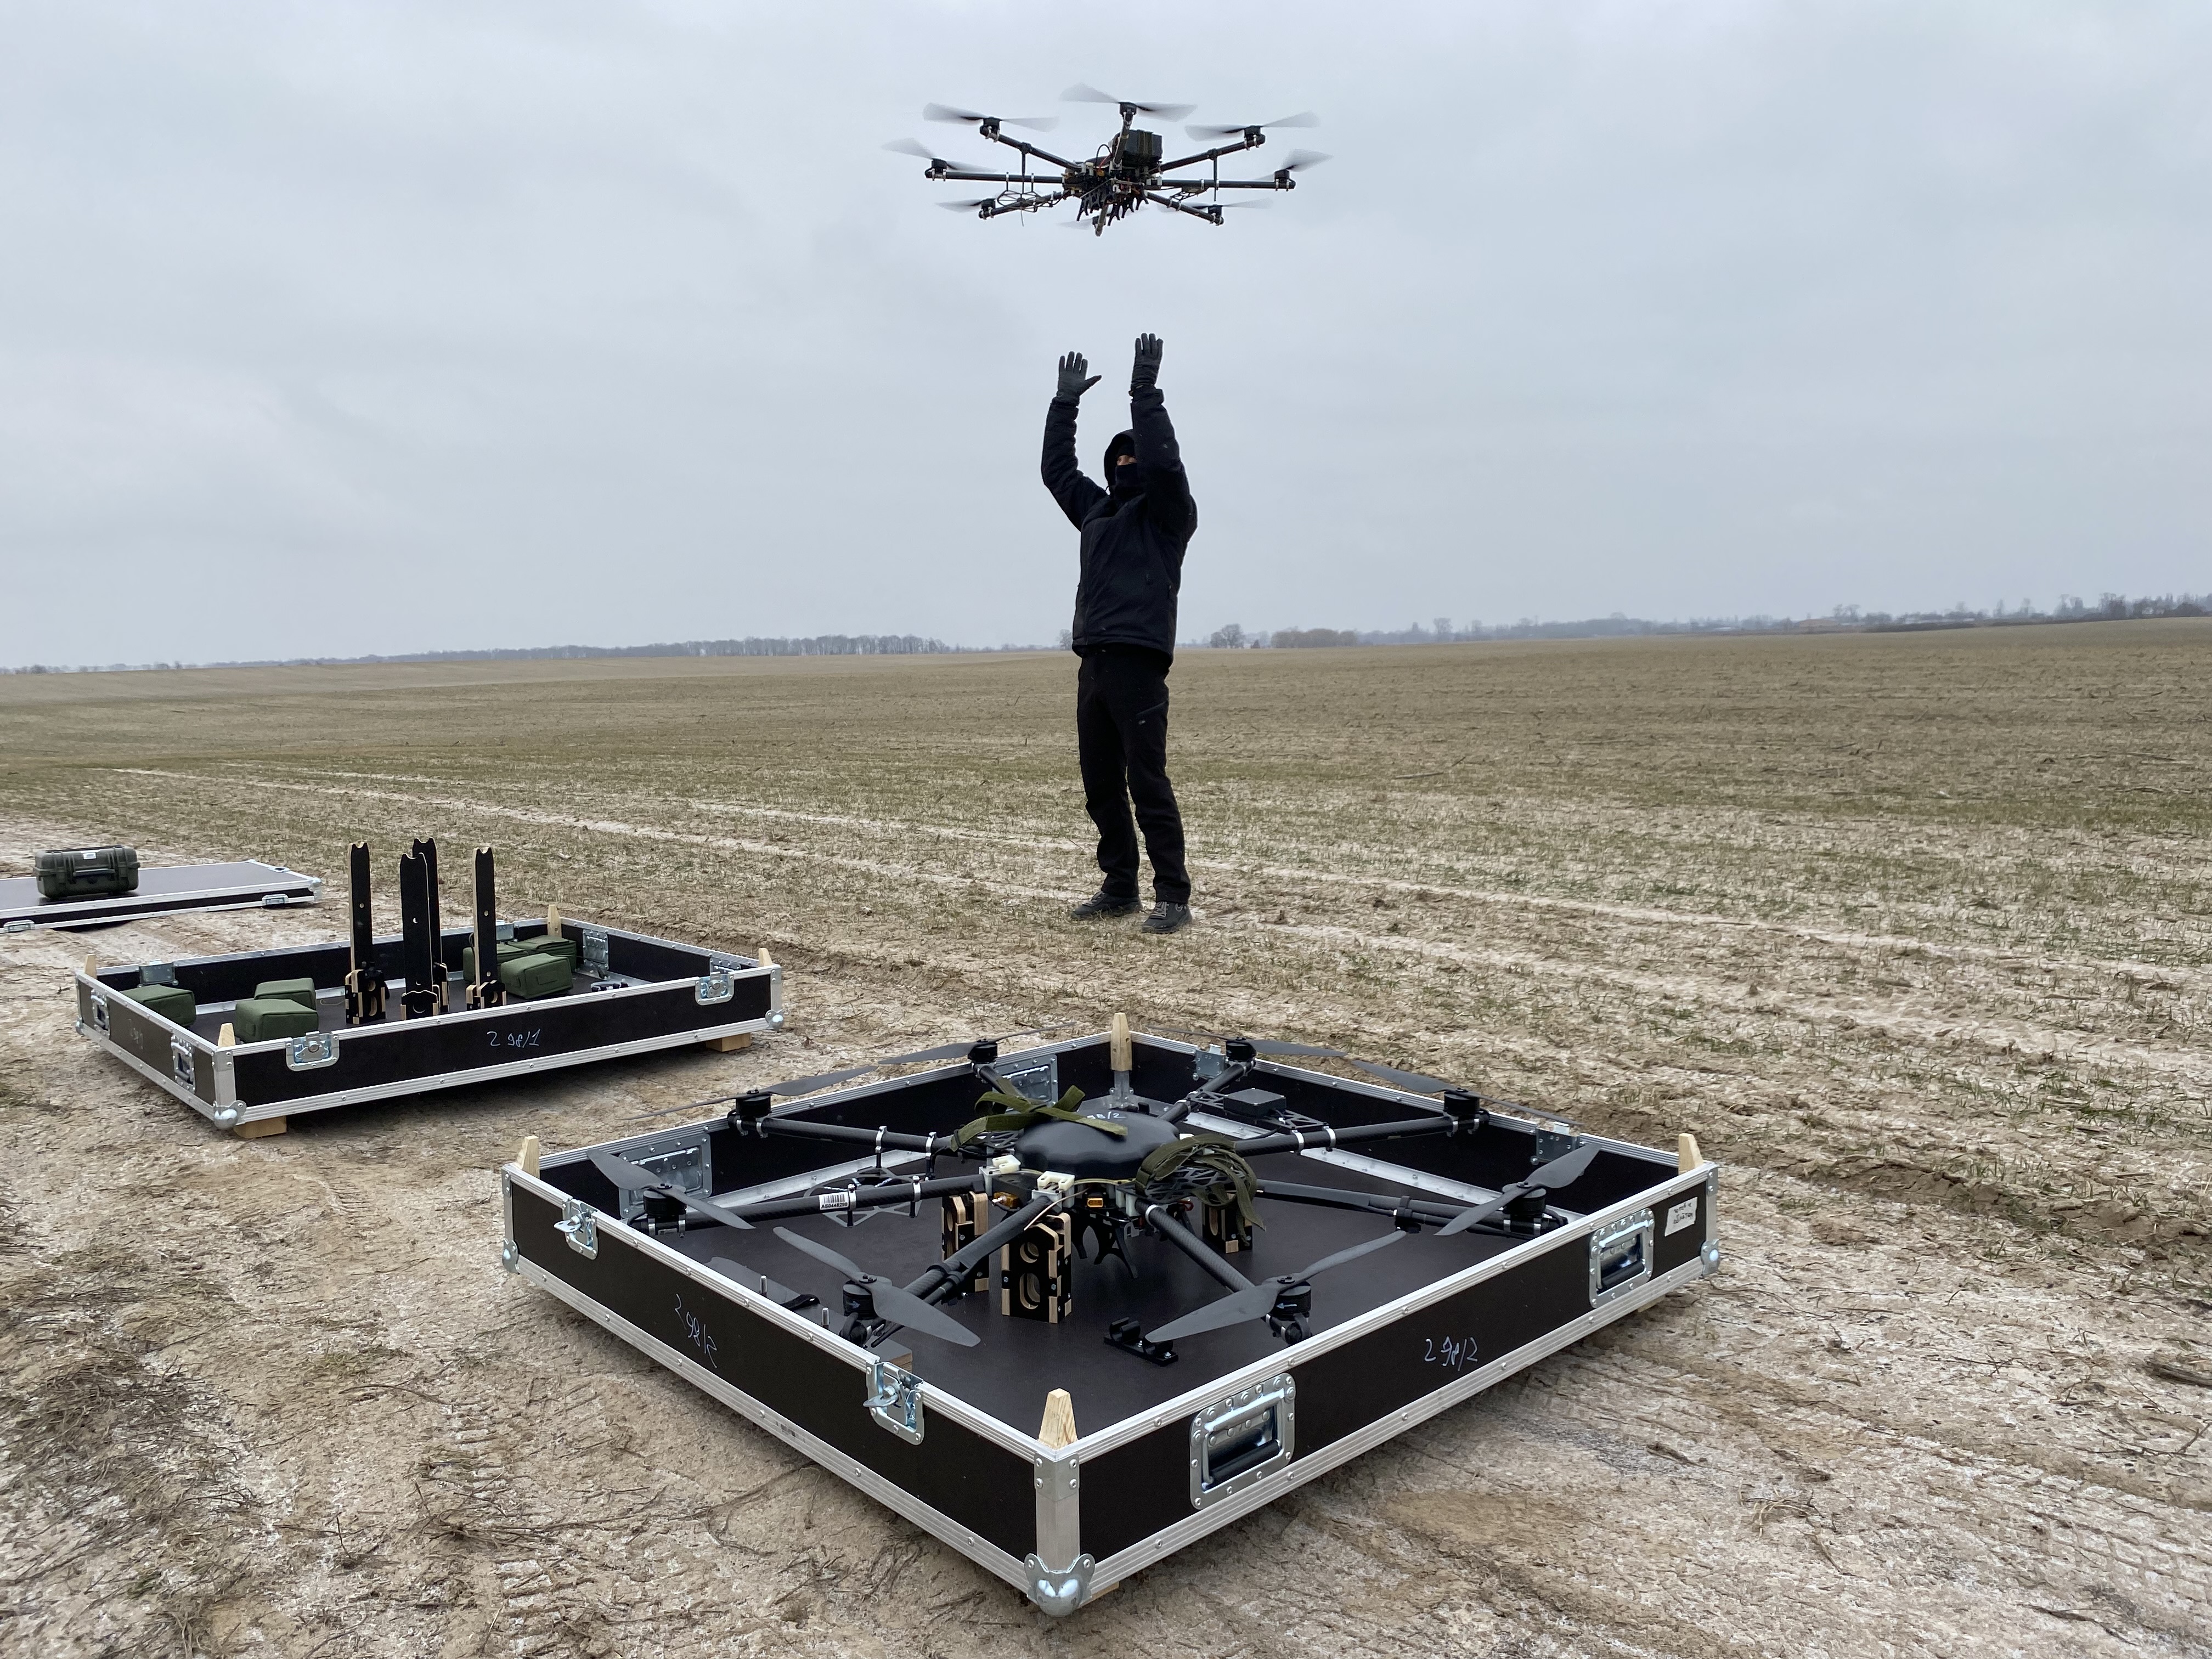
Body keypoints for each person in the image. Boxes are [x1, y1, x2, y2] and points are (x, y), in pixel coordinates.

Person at [1041, 332, 1197, 935]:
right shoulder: (1097, 512)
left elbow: (1165, 463)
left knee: (1147, 782)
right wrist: (1063, 407)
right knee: (1101, 784)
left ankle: (1173, 896)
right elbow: (1057, 471)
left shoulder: (1168, 517)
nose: (1128, 463)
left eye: (1134, 459)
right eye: (1120, 459)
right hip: (1094, 665)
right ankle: (1119, 886)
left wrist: (1144, 393)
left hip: (1139, 664)